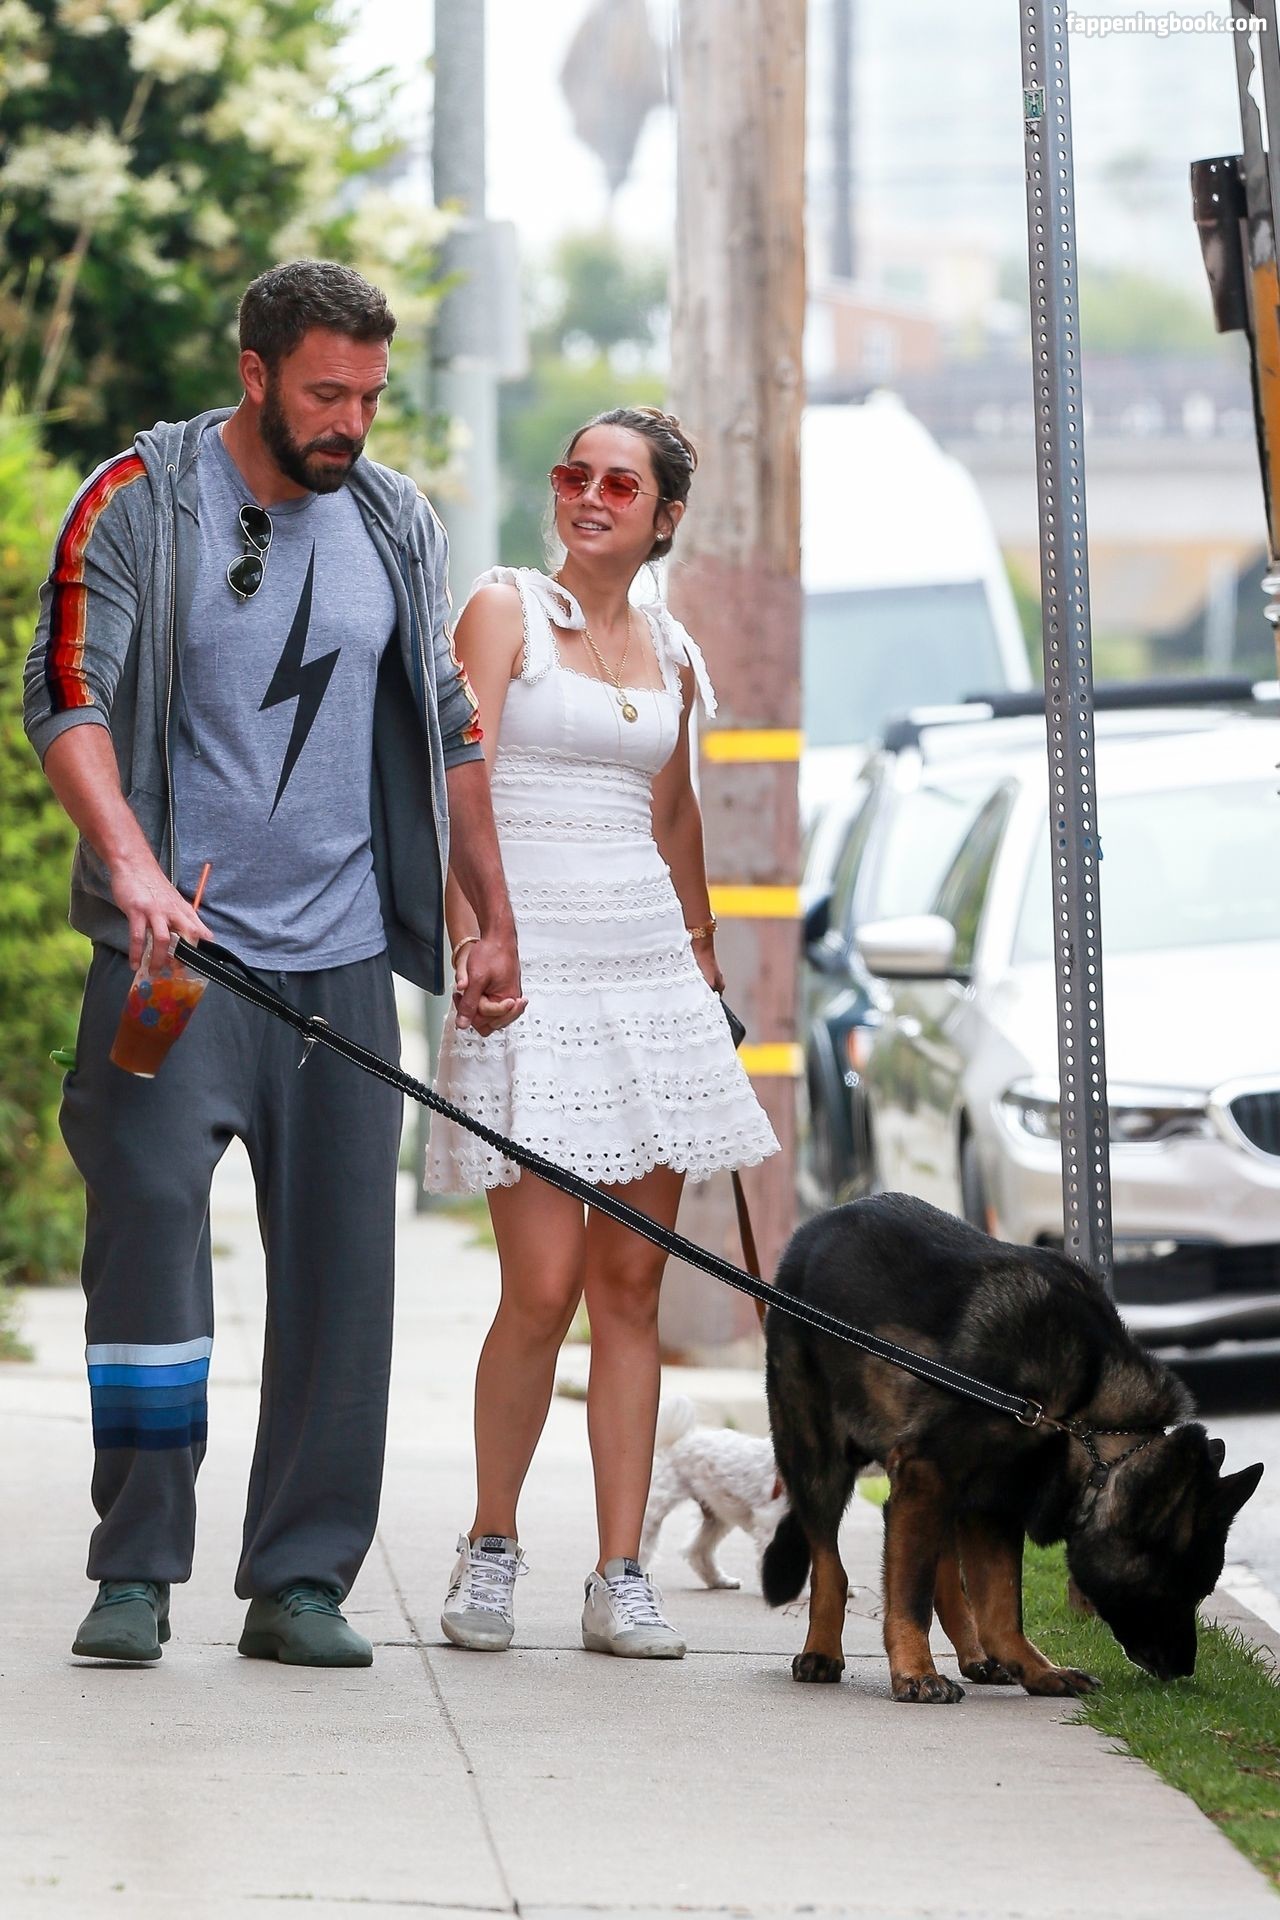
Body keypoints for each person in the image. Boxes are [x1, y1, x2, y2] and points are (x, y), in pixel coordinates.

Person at [23, 259, 523, 1668]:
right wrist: (130, 867)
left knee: (341, 1288)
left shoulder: (393, 518)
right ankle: (137, 1568)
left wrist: (486, 916)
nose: (350, 420)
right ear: (254, 374)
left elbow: (448, 722)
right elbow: (64, 689)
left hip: (343, 964)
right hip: (177, 962)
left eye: (370, 394)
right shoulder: (140, 499)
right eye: (325, 393)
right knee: (147, 1261)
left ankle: (301, 1580)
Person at [425, 406, 779, 1659]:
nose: (586, 495)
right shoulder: (504, 608)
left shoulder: (675, 652)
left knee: (631, 1287)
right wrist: (473, 939)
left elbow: (674, 818)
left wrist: (702, 959)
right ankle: (490, 1545)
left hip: (649, 981)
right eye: (573, 473)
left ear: (663, 514)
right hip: (526, 972)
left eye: (618, 484)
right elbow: (453, 781)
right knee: (541, 1288)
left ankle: (620, 1573)